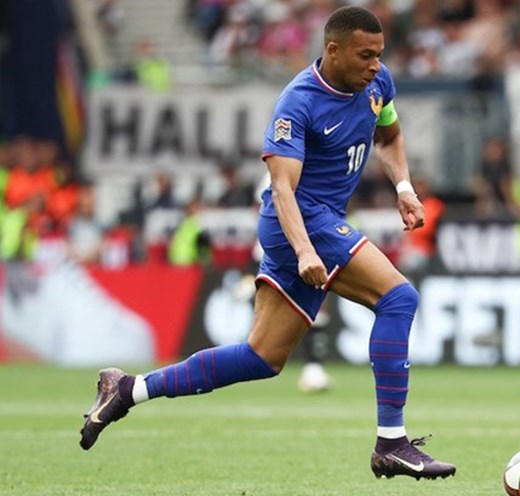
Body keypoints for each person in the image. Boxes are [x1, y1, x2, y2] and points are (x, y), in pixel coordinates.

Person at [79, 6, 456, 481]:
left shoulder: (378, 85)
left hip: (322, 221)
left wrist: (404, 188)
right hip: (298, 220)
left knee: (262, 357)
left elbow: (391, 136)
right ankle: (391, 442)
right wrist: (304, 251)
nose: (375, 65)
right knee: (399, 297)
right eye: (365, 55)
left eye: (379, 55)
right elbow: (283, 189)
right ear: (333, 50)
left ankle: (129, 388)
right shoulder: (298, 102)